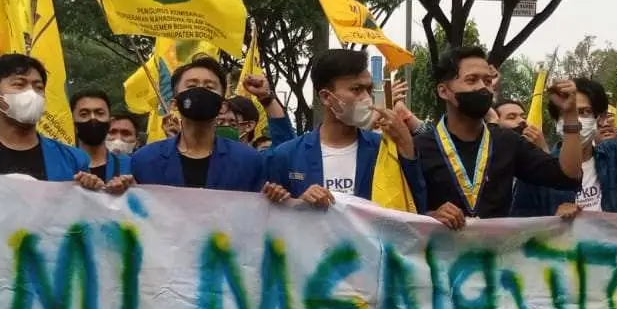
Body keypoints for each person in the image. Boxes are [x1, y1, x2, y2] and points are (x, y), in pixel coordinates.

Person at [513, 26, 617, 217]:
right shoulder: (536, 171)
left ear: (599, 118)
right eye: (568, 113)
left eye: (584, 112)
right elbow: (519, 228)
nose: (576, 121)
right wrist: (552, 221)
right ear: (557, 120)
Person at [413, 45, 575, 225]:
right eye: (472, 80)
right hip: (437, 244)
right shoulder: (419, 147)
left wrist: (570, 115)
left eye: (488, 81)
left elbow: (568, 176)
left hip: (498, 244)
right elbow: (399, 212)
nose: (483, 87)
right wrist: (430, 217)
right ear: (444, 91)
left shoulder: (507, 142)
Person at [262, 47, 425, 208]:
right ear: (326, 97)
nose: (367, 98)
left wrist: (406, 142)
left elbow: (414, 206)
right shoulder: (288, 155)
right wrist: (300, 204)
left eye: (369, 90)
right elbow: (274, 215)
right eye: (357, 90)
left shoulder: (383, 150)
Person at [130, 57, 267, 192]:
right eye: (191, 86)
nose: (200, 91)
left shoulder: (249, 161)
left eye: (209, 87)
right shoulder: (145, 160)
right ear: (174, 104)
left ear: (222, 106)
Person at [0, 54, 89, 181]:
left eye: (38, 87)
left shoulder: (74, 160)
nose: (32, 93)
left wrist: (94, 187)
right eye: (19, 85)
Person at [70, 89, 134, 184]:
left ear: (110, 122)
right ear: (72, 122)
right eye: (84, 114)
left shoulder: (129, 165)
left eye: (100, 113)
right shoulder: (61, 165)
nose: (93, 118)